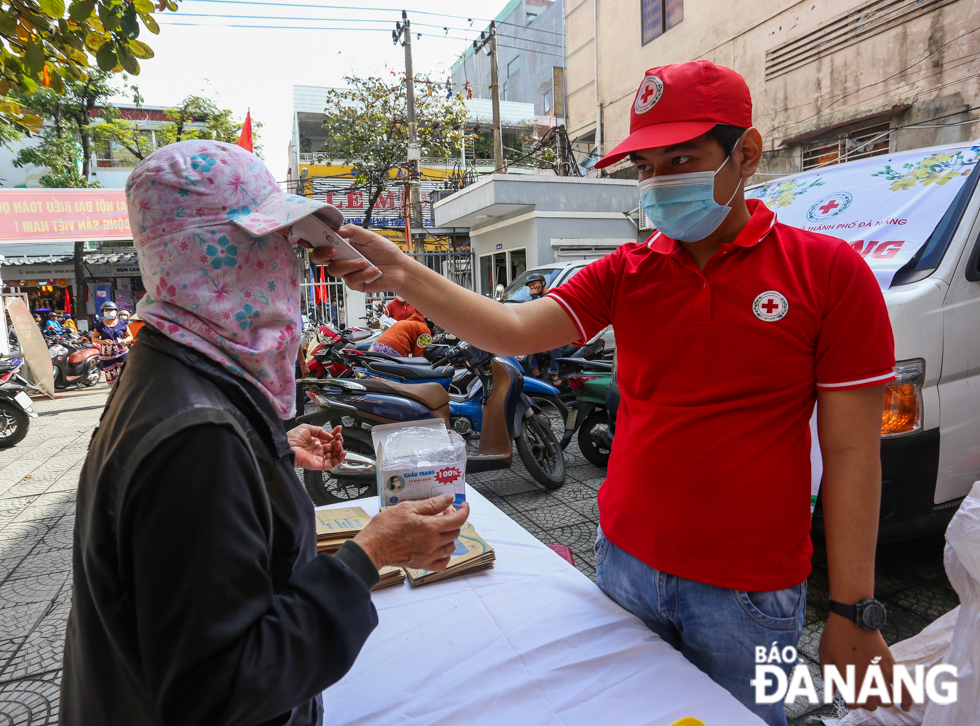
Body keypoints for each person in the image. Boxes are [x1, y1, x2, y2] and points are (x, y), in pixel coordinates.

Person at [323, 61, 909, 724]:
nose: (659, 183)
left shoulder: (830, 275)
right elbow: (511, 328)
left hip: (750, 591)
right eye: (646, 168)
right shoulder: (626, 272)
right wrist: (398, 267)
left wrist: (854, 610)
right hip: (624, 565)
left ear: (745, 153)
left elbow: (854, 451)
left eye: (681, 159)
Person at [62, 140, 470, 726]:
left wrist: (266, 455)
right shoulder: (197, 437)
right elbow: (223, 689)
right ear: (208, 254)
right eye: (272, 243)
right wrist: (372, 553)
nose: (288, 262)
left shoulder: (170, 369)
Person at [525, 273, 564, 384]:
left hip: (559, 331)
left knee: (557, 342)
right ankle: (534, 367)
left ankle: (554, 372)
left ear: (543, 283)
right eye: (530, 286)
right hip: (545, 331)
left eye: (534, 284)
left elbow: (542, 309)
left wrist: (533, 299)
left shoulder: (552, 295)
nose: (532, 288)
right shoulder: (538, 298)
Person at [90, 301, 133, 386]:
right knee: (111, 377)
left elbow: (130, 336)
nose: (110, 312)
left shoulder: (122, 324)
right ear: (103, 312)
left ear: (116, 311)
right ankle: (114, 393)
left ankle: (126, 391)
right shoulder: (99, 326)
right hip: (107, 356)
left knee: (126, 373)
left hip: (122, 353)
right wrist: (103, 341)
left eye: (112, 310)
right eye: (107, 310)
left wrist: (125, 341)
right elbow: (94, 338)